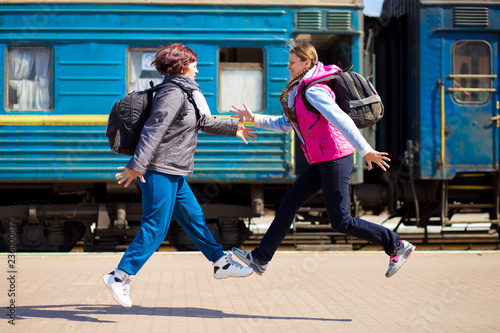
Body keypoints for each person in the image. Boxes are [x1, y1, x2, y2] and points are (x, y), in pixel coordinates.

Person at [230, 41, 415, 278]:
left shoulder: (314, 90)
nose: (288, 68)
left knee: (341, 221)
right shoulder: (298, 90)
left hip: (337, 158)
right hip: (320, 160)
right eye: (288, 63)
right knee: (288, 205)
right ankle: (261, 257)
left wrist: (365, 149)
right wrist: (253, 118)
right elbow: (286, 125)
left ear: (307, 62)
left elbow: (341, 120)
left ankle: (396, 245)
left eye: (292, 63)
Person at [103, 43, 256, 308]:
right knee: (156, 227)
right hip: (159, 168)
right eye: (194, 64)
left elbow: (203, 121)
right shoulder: (172, 93)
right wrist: (137, 164)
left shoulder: (187, 92)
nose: (198, 68)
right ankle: (119, 277)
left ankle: (220, 263)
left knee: (194, 217)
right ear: (182, 66)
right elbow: (155, 128)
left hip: (174, 169)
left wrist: (235, 128)